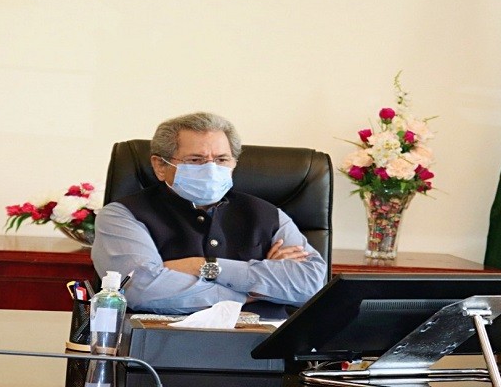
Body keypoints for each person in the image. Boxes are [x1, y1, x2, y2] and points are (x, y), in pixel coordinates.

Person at [91, 112, 327, 315]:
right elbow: (141, 290)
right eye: (196, 160)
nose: (211, 169)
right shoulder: (122, 215)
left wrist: (202, 266)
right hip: (167, 345)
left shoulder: (270, 215)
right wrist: (257, 291)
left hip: (265, 345)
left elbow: (310, 285)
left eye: (222, 159)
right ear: (160, 166)